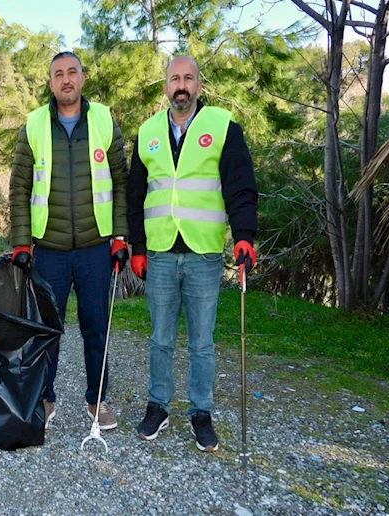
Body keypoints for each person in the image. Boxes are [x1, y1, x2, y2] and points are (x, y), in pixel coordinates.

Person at [127, 55, 258, 452]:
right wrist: (136, 246)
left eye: (188, 78)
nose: (181, 85)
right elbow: (135, 194)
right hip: (161, 251)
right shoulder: (147, 132)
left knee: (202, 341)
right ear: (165, 86)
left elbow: (240, 184)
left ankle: (201, 413)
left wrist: (245, 235)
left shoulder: (222, 127)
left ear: (199, 84)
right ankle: (158, 406)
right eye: (174, 79)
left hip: (203, 252)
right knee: (160, 338)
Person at [9, 51, 129, 432]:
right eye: (58, 74)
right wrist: (22, 243)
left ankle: (97, 399)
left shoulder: (105, 120)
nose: (66, 80)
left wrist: (120, 236)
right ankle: (45, 398)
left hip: (96, 247)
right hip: (50, 250)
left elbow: (121, 183)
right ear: (49, 82)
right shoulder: (33, 125)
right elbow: (19, 187)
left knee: (97, 326)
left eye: (72, 72)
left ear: (82, 78)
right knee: (47, 329)